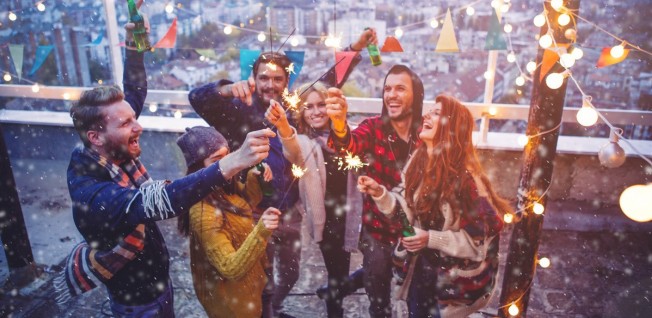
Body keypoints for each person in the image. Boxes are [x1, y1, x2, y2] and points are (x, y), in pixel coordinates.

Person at [66, 21, 275, 317]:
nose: (138, 125)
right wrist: (232, 162)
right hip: (137, 299)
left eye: (132, 118)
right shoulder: (92, 192)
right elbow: (158, 202)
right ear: (95, 137)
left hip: (157, 282)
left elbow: (135, 92)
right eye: (126, 123)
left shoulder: (108, 144)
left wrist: (135, 42)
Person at [189, 28, 377, 318]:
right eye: (263, 77)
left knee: (291, 273)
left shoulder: (294, 107)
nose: (270, 84)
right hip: (250, 211)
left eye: (278, 78)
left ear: (287, 81)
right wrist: (227, 88)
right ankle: (266, 311)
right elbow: (196, 98)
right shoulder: (238, 109)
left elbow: (329, 80)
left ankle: (274, 309)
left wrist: (355, 46)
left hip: (289, 211)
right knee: (257, 276)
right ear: (254, 78)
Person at [357, 95, 512, 317]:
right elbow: (405, 211)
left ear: (452, 128)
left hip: (452, 282)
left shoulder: (469, 181)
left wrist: (429, 238)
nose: (427, 115)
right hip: (420, 270)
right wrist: (380, 193)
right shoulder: (418, 161)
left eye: (437, 113)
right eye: (430, 111)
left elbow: (477, 246)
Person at [326, 64, 424, 317]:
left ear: (417, 95)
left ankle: (339, 288)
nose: (391, 94)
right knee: (379, 298)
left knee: (419, 295)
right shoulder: (373, 128)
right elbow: (348, 146)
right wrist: (339, 124)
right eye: (387, 89)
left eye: (400, 88)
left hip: (415, 230)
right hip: (377, 231)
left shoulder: (426, 132)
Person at [264, 81, 363, 317]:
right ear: (302, 112)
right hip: (328, 220)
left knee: (376, 267)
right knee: (337, 275)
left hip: (356, 213)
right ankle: (334, 306)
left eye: (321, 105)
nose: (316, 111)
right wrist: (284, 127)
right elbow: (290, 147)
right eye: (309, 107)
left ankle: (336, 290)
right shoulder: (305, 143)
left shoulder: (349, 134)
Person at [175, 126, 280, 318]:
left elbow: (244, 205)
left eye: (227, 155)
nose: (226, 164)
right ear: (199, 169)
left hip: (253, 285)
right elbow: (229, 268)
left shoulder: (225, 185)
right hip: (233, 305)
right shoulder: (202, 210)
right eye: (216, 160)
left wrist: (253, 179)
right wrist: (261, 231)